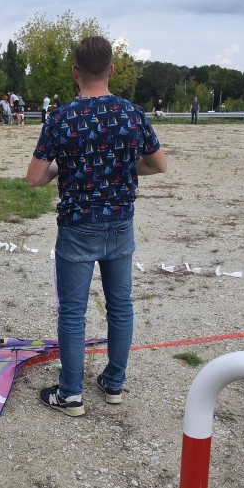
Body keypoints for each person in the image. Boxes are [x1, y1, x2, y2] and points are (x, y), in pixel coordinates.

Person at [25, 36, 167, 417]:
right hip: (120, 223)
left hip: (77, 225)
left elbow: (35, 178)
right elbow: (158, 165)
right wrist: (121, 167)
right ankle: (114, 382)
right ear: (111, 70)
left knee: (73, 312)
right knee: (120, 306)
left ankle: (71, 394)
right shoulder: (132, 114)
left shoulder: (60, 118)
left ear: (75, 72)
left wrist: (65, 168)